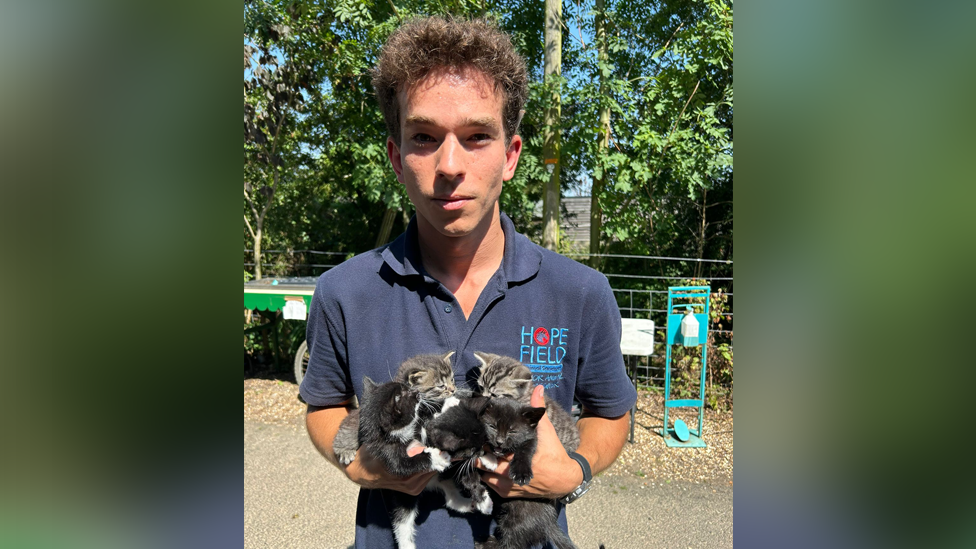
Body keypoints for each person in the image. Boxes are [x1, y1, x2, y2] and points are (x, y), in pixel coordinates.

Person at [300, 15, 637, 548]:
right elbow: (323, 404)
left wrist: (574, 472)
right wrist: (355, 465)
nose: (449, 164)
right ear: (396, 156)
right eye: (425, 137)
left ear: (510, 155)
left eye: (477, 136)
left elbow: (611, 413)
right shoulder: (345, 292)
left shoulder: (581, 294)